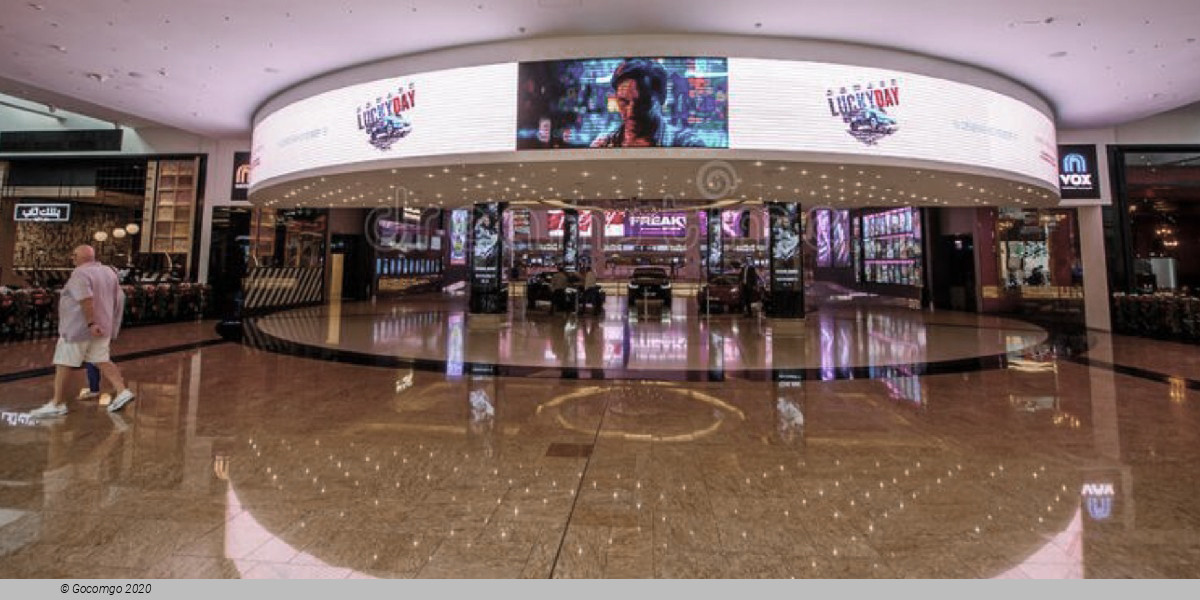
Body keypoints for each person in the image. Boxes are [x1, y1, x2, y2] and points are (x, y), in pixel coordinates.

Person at [30, 245, 135, 418]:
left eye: (74, 255)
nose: (72, 258)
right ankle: (123, 391)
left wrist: (91, 323)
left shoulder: (80, 274)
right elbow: (119, 298)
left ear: (81, 257)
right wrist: (111, 324)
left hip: (80, 328)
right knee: (101, 359)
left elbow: (86, 299)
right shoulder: (109, 272)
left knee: (64, 362)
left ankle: (57, 403)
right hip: (103, 326)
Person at [590, 58, 705, 148]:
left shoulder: (688, 144)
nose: (631, 113)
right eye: (624, 102)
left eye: (642, 103)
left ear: (662, 98)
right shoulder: (603, 144)